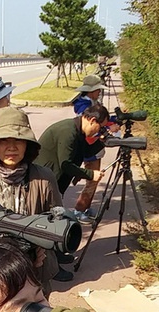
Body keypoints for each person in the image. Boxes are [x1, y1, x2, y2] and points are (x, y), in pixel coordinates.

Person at [0, 107, 62, 294]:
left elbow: (58, 219)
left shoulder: (44, 177)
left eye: (18, 140)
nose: (11, 147)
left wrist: (41, 245)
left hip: (36, 268)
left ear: (27, 144)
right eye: (3, 141)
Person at [33, 103, 109, 282]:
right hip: (43, 185)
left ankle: (57, 255)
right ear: (91, 120)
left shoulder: (78, 132)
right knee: (49, 224)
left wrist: (102, 140)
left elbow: (84, 151)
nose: (101, 129)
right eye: (101, 126)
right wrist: (91, 174)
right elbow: (66, 164)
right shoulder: (68, 131)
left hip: (54, 183)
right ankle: (52, 268)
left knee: (56, 221)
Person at [71, 74, 111, 213]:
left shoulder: (88, 103)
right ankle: (79, 210)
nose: (99, 92)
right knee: (92, 179)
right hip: (89, 146)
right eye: (98, 90)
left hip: (92, 146)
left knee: (93, 180)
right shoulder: (85, 106)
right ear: (91, 91)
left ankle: (85, 208)